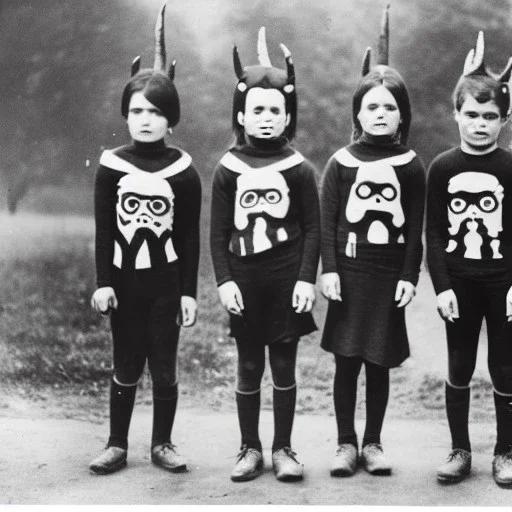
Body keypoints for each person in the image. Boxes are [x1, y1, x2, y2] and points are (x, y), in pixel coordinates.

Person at [88, 4, 201, 475]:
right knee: (127, 359)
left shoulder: (183, 169)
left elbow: (189, 236)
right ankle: (116, 443)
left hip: (166, 282)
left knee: (165, 363)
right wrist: (103, 282)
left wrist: (189, 292)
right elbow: (105, 228)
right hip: (125, 281)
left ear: (170, 118)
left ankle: (162, 443)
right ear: (126, 116)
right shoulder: (112, 165)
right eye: (137, 111)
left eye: (156, 112)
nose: (146, 119)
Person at [210, 27, 320, 482]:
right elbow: (217, 233)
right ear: (242, 114)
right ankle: (248, 448)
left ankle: (283, 449)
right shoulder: (228, 167)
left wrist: (305, 279)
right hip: (246, 280)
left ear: (287, 114)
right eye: (257, 109)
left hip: (286, 277)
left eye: (276, 110)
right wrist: (225, 281)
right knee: (250, 363)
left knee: (283, 362)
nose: (267, 118)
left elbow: (312, 228)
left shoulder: (298, 167)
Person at [320, 5, 425, 477]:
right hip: (349, 274)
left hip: (387, 277)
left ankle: (374, 442)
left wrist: (409, 275)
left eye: (389, 107)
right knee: (347, 361)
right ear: (358, 113)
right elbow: (327, 223)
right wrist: (330, 271)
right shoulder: (341, 162)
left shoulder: (411, 165)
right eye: (371, 106)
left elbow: (417, 226)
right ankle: (344, 443)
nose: (380, 114)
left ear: (402, 114)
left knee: (378, 362)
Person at [427, 31, 512, 486]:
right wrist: (441, 287)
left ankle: (506, 450)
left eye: (491, 116)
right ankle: (459, 449)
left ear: (505, 119)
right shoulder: (442, 168)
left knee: (505, 366)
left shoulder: (510, 167)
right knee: (459, 364)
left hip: (504, 286)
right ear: (456, 114)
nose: (480, 124)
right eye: (472, 115)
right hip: (459, 286)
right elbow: (434, 233)